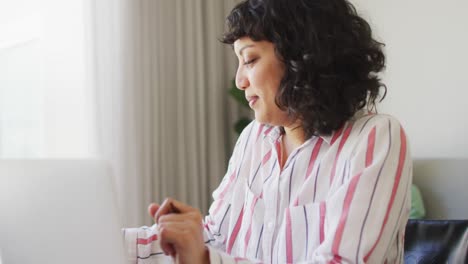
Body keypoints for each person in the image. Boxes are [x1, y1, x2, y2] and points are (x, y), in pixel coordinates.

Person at [123, 0, 412, 263]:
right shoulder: (254, 138)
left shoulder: (375, 138)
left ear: (302, 57)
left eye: (249, 60)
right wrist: (133, 240)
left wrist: (205, 259)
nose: (239, 81)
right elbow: (220, 238)